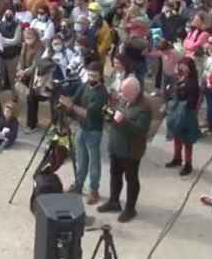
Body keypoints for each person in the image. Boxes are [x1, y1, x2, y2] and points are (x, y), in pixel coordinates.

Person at [97, 76, 152, 223]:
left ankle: (130, 208)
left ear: (135, 91)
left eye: (125, 92)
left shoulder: (144, 107)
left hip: (131, 151)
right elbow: (116, 116)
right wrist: (109, 116)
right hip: (116, 146)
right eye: (122, 91)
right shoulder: (124, 100)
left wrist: (123, 121)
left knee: (131, 179)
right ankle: (114, 201)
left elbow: (140, 130)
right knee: (115, 175)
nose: (122, 94)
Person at [61, 63, 109, 205]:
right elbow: (74, 99)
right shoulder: (84, 85)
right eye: (89, 75)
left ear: (100, 76)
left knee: (94, 162)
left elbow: (88, 113)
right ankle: (79, 184)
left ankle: (94, 190)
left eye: (94, 75)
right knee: (80, 159)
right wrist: (67, 102)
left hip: (94, 130)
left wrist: (71, 105)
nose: (90, 78)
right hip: (82, 128)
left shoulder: (102, 93)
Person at [165, 57, 201, 176]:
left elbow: (191, 99)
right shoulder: (179, 77)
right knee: (177, 136)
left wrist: (180, 92)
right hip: (177, 111)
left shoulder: (192, 81)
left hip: (187, 113)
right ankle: (177, 158)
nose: (182, 67)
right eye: (181, 64)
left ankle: (188, 164)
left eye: (184, 65)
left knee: (187, 139)